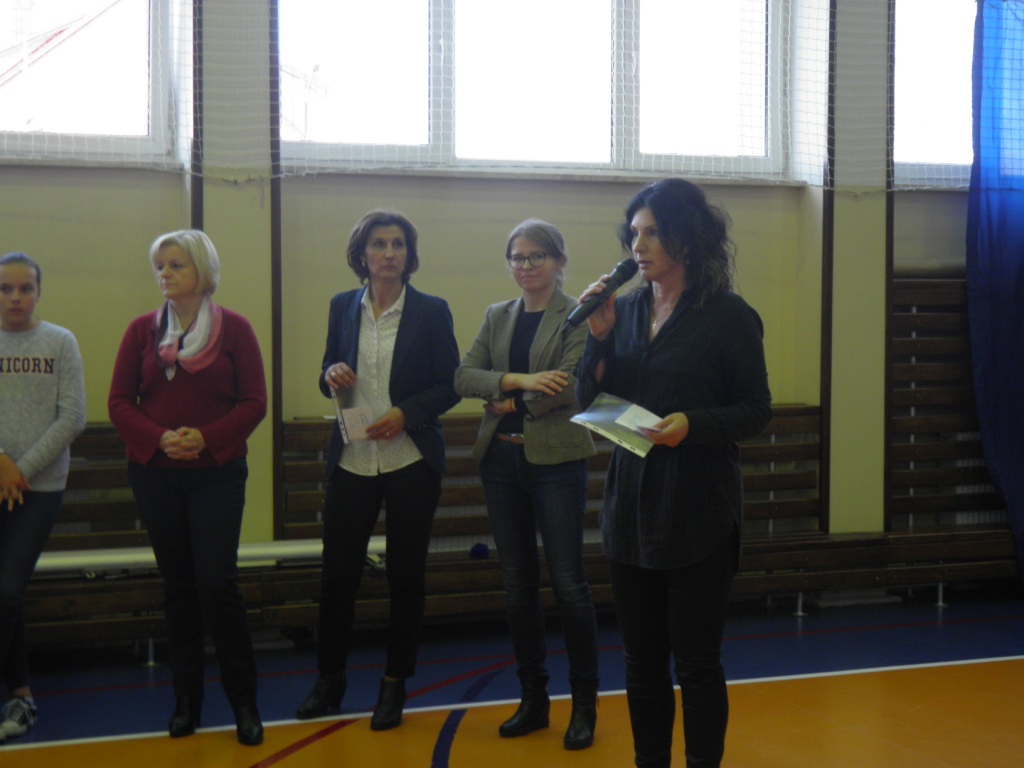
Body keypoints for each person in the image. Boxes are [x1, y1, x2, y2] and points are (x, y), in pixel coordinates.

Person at [575, 179, 772, 768]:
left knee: (697, 664)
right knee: (641, 663)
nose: (638, 245)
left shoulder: (729, 315)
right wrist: (599, 339)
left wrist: (695, 423)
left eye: (654, 232)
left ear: (687, 238)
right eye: (634, 233)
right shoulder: (626, 310)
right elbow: (591, 401)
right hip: (631, 510)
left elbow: (755, 409)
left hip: (698, 511)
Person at [295, 209, 460, 731]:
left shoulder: (432, 310)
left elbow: (450, 384)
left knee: (405, 576)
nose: (389, 253)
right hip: (353, 458)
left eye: (398, 244)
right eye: (379, 244)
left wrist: (407, 413)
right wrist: (330, 373)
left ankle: (394, 683)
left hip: (410, 457)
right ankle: (330, 679)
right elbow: (328, 370)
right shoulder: (341, 306)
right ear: (361, 255)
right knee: (337, 576)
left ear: (409, 256)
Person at [108, 230, 267, 746]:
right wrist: (159, 439)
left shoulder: (236, 329)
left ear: (202, 271)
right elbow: (119, 402)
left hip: (217, 473)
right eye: (161, 266)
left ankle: (245, 703)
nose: (165, 274)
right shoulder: (141, 331)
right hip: (156, 474)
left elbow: (254, 402)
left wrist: (206, 438)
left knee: (217, 584)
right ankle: (186, 703)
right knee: (178, 588)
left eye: (176, 265)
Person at [454, 219, 600, 750]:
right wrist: (518, 380)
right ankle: (533, 700)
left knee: (569, 586)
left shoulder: (577, 314)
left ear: (559, 262)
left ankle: (583, 706)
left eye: (538, 256)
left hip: (556, 462)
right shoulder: (498, 315)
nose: (527, 266)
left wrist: (512, 401)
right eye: (517, 257)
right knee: (517, 586)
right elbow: (463, 376)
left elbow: (573, 384)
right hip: (501, 462)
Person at [0, 252, 86, 744]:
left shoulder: (60, 342)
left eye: (25, 288)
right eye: (6, 288)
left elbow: (72, 416)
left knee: (7, 589)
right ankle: (22, 696)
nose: (15, 297)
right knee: (4, 592)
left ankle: (20, 694)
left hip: (39, 488)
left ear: (38, 292)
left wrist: (20, 470)